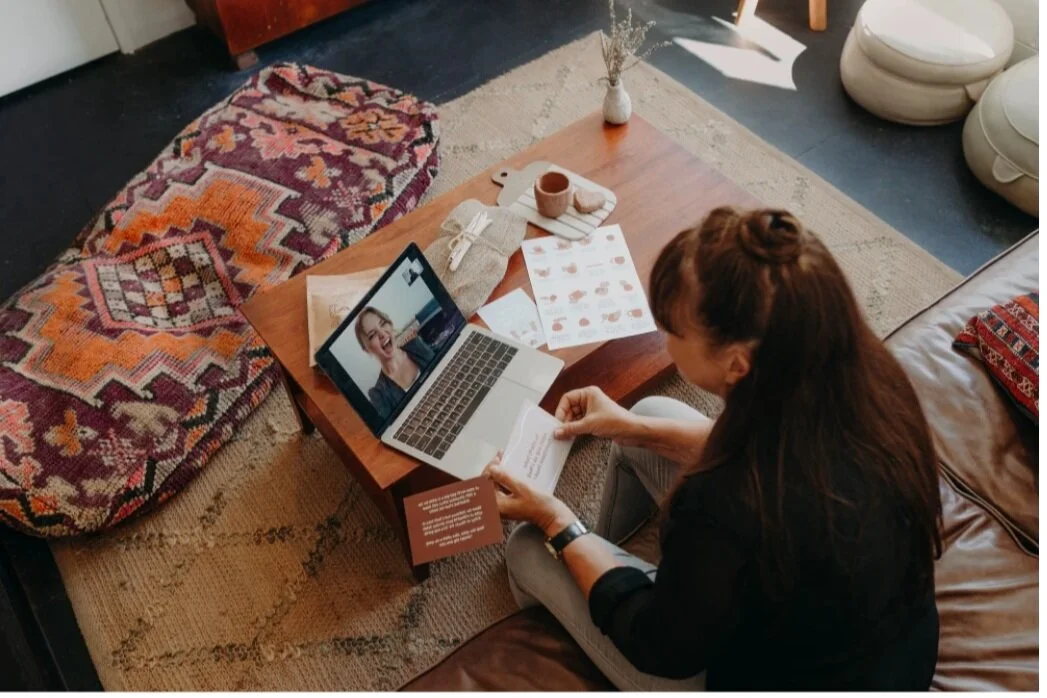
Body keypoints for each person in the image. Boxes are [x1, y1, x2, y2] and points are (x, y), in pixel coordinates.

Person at [484, 207, 942, 691]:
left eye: (673, 331)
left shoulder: (720, 503)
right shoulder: (870, 380)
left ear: (736, 364)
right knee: (657, 413)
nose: (664, 340)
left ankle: (562, 629)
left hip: (763, 675)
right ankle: (608, 561)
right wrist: (630, 426)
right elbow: (765, 456)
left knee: (530, 548)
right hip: (885, 649)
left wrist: (559, 524)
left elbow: (661, 647)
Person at [355, 306, 434, 419]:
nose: (382, 334)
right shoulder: (378, 395)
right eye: (372, 335)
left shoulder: (416, 345)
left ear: (390, 324)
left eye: (382, 324)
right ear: (367, 349)